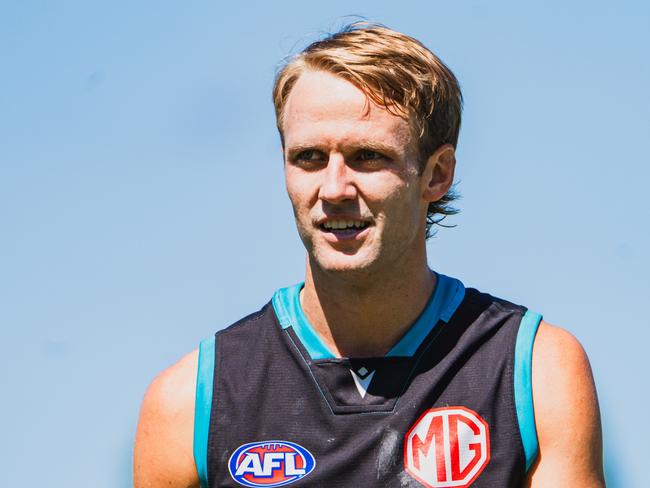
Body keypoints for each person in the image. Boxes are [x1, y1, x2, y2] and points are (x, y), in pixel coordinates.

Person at [134, 22, 604, 487]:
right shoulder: (191, 402)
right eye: (310, 158)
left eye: (367, 157)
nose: (334, 189)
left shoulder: (535, 370)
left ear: (436, 175)